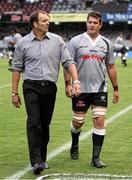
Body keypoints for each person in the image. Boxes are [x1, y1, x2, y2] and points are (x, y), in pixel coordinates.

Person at [11, 10, 80, 175]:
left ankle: (42, 158)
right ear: (35, 24)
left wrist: (75, 80)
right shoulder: (22, 43)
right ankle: (36, 161)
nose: (48, 23)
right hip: (30, 87)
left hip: (50, 88)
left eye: (48, 20)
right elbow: (16, 69)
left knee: (45, 124)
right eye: (44, 21)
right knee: (34, 122)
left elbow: (68, 61)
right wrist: (14, 93)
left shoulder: (57, 40)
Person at [64, 11, 119, 168]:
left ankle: (95, 158)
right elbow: (68, 64)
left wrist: (116, 88)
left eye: (95, 22)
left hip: (100, 89)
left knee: (99, 120)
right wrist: (68, 84)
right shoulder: (75, 41)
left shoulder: (107, 43)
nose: (92, 25)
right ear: (86, 23)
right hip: (79, 88)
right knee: (78, 122)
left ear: (100, 24)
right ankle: (75, 144)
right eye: (90, 22)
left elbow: (111, 67)